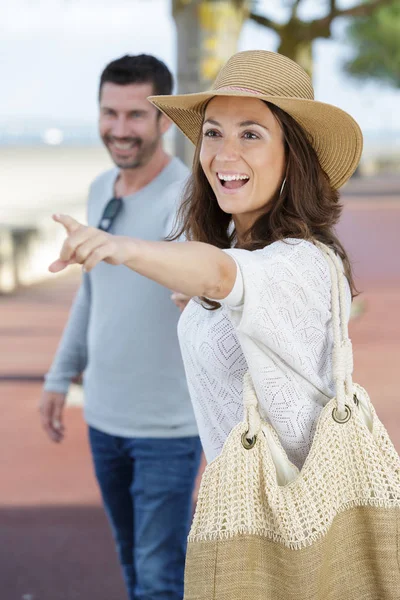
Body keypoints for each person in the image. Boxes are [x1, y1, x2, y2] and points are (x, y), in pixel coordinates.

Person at [47, 49, 362, 481]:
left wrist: (118, 247)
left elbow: (217, 271)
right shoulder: (241, 246)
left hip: (293, 518)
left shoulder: (300, 260)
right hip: (234, 503)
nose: (223, 153)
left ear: (293, 154)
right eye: (213, 134)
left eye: (250, 135)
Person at [39, 54, 201, 600]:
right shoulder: (98, 190)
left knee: (159, 580)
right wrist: (60, 375)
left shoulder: (191, 200)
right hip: (105, 418)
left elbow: (207, 299)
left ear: (164, 122)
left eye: (136, 115)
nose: (120, 129)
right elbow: (92, 291)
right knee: (134, 573)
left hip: (168, 430)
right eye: (110, 113)